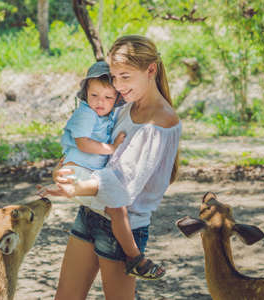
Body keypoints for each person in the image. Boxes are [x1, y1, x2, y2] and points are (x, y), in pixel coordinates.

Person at [45, 35, 181, 300]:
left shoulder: (161, 122)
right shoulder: (122, 106)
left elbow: (124, 180)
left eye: (125, 77)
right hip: (90, 213)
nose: (118, 85)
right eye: (115, 77)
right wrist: (63, 169)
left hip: (123, 226)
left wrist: (76, 188)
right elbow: (90, 145)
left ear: (150, 69)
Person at [59, 60, 164, 280]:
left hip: (87, 175)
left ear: (116, 98)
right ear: (85, 93)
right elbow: (83, 144)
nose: (100, 102)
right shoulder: (86, 113)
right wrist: (112, 148)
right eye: (94, 95)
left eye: (107, 97)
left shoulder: (110, 114)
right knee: (117, 207)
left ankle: (133, 255)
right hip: (81, 173)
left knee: (115, 207)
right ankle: (135, 257)